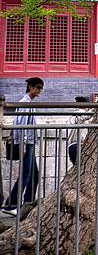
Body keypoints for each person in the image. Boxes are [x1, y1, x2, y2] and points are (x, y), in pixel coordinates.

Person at [2, 77, 44, 216]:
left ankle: (27, 203)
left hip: (30, 142)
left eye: (40, 88)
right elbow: (22, 125)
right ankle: (11, 205)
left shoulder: (29, 102)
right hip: (26, 143)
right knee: (26, 174)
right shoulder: (24, 102)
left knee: (34, 175)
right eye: (37, 87)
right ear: (30, 87)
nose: (39, 90)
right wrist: (24, 144)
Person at [68, 96, 91, 166]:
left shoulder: (73, 116)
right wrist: (95, 109)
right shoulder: (80, 113)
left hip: (73, 146)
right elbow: (86, 116)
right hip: (78, 145)